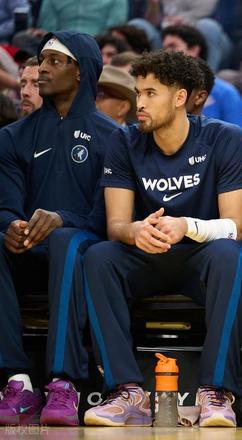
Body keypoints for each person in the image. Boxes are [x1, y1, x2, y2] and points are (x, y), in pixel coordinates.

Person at [82, 50, 242, 428]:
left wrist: (187, 226)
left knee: (230, 254)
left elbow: (235, 226)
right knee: (99, 256)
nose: (140, 103)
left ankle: (216, 391)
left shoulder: (224, 138)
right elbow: (116, 224)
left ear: (179, 97)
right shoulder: (124, 141)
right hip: (149, 254)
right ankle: (125, 391)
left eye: (150, 93)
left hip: (202, 255)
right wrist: (135, 231)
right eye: (138, 93)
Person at [0, 31, 117, 426]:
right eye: (42, 60)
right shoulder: (12, 137)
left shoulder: (113, 137)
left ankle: (63, 381)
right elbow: (5, 206)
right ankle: (17, 381)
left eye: (54, 61)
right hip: (29, 252)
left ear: (80, 71)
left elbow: (108, 217)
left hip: (85, 255)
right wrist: (12, 226)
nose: (42, 69)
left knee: (66, 239)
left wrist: (64, 218)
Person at [161, 27, 242, 136]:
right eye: (164, 48)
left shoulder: (223, 91)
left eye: (173, 46)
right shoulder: (160, 90)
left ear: (193, 50)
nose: (166, 53)